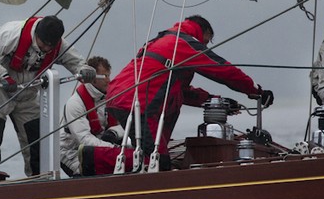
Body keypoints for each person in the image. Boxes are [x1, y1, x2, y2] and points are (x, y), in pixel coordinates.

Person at [105, 15, 273, 172]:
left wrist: (214, 101)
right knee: (158, 160)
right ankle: (91, 158)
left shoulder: (163, 40)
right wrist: (255, 90)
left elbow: (180, 91)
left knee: (147, 154)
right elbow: (222, 69)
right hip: (138, 103)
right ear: (203, 32)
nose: (205, 47)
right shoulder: (184, 43)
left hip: (121, 96)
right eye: (206, 42)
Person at [0, 15, 95, 180]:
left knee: (36, 141)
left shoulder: (58, 45)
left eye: (50, 46)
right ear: (36, 34)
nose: (46, 49)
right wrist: (1, 75)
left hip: (27, 94)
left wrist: (85, 70)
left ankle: (38, 180)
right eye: (43, 43)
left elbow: (77, 62)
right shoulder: (12, 33)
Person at [59, 55, 128, 177]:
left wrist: (113, 133)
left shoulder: (110, 98)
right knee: (93, 177)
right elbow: (84, 139)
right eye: (105, 76)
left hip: (100, 145)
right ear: (93, 79)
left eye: (109, 75)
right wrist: (113, 149)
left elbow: (125, 125)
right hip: (72, 153)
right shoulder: (75, 104)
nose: (109, 80)